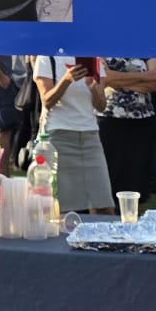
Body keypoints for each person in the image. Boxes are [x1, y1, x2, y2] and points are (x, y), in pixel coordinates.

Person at [32, 56, 114, 213]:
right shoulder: (47, 58)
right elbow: (46, 101)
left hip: (90, 137)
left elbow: (101, 106)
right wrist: (67, 80)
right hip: (59, 136)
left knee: (104, 204)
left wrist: (93, 88)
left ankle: (100, 231)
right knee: (62, 208)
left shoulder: (95, 59)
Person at [97, 58, 156, 202]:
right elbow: (104, 78)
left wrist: (118, 80)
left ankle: (133, 214)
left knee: (138, 180)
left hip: (143, 121)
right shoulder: (102, 49)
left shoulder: (146, 50)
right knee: (110, 177)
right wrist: (144, 76)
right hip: (109, 120)